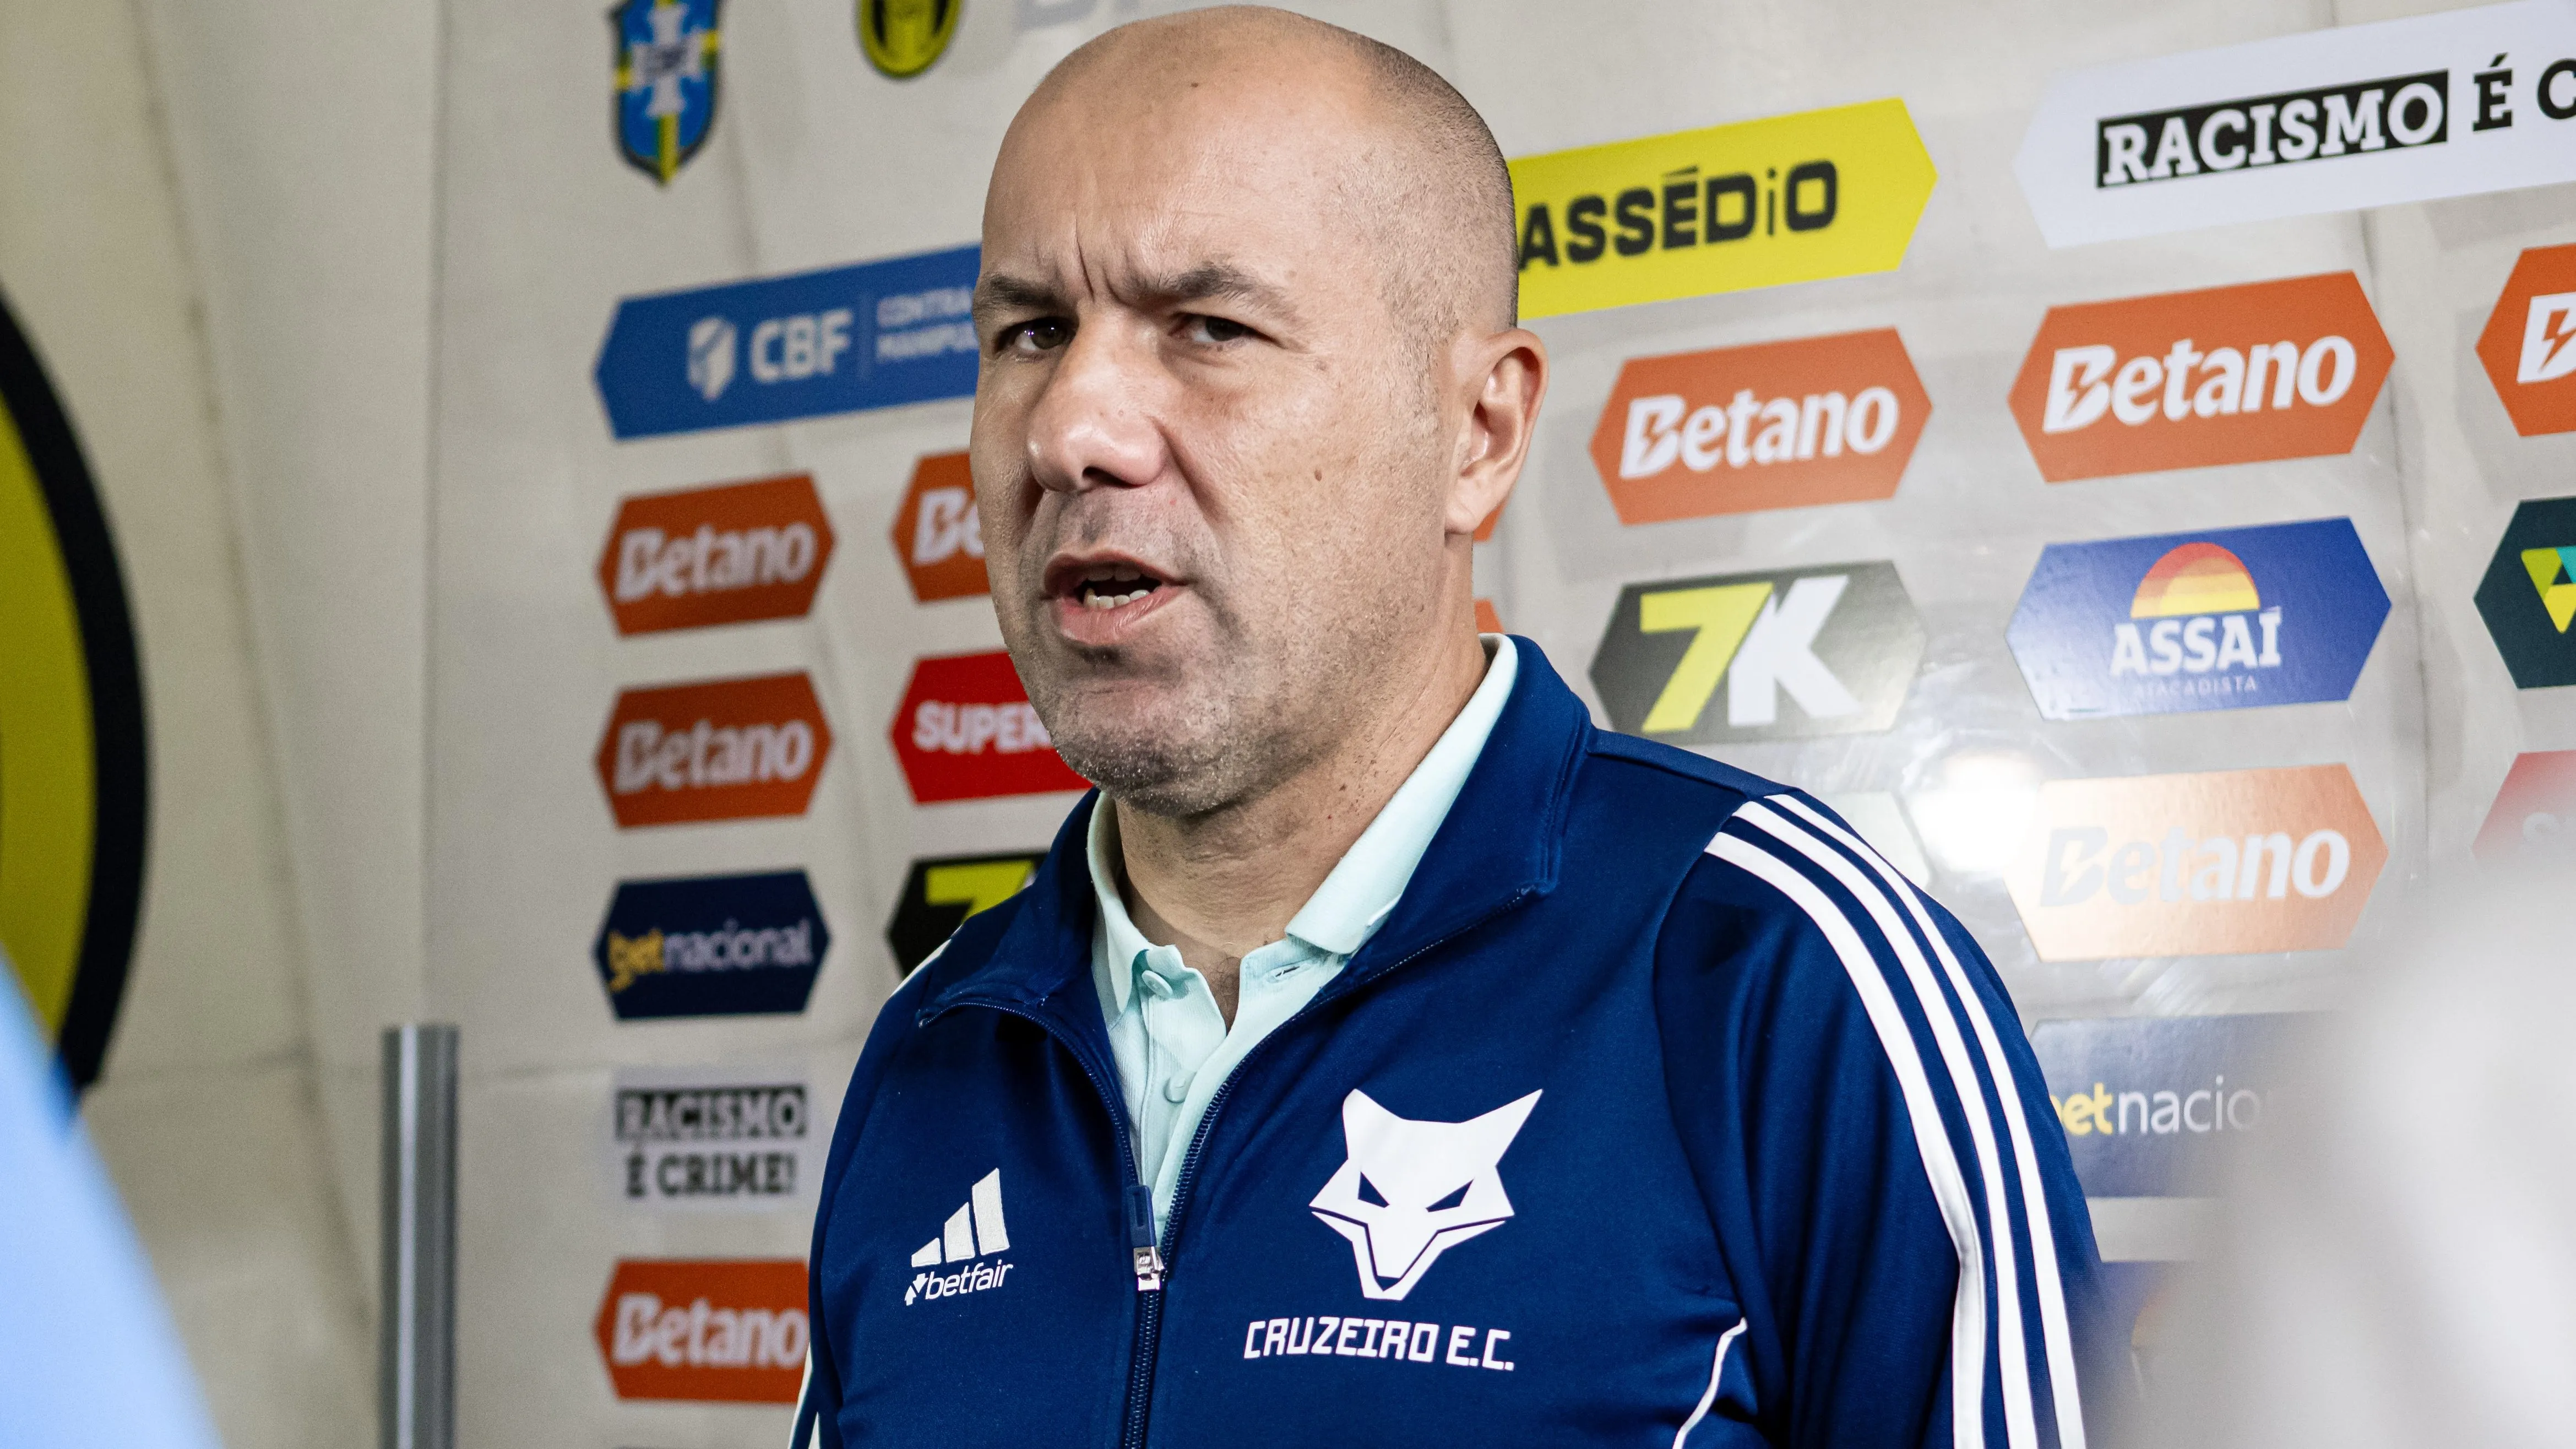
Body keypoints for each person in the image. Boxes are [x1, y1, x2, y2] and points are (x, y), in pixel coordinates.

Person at [800, 9, 2120, 1445]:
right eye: (1030, 333)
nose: (1070, 430)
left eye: (1209, 329)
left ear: (1478, 433)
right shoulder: (934, 1045)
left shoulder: (1777, 977)